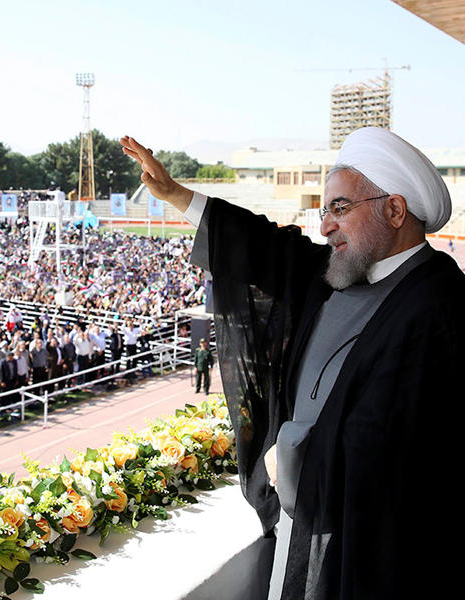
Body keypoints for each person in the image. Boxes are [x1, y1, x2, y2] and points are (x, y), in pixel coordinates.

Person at [121, 128, 464, 599]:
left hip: (369, 552)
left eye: (340, 209)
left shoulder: (439, 308)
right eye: (324, 212)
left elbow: (400, 448)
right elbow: (266, 247)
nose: (325, 226)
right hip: (304, 518)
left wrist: (293, 461)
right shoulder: (344, 268)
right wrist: (175, 194)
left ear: (395, 210)